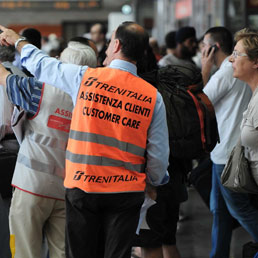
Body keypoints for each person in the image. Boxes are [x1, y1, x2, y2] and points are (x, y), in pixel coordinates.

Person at [0, 22, 169, 258]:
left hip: (83, 186)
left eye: (110, 42)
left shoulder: (85, 79)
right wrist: (153, 181)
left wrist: (18, 41)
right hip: (126, 192)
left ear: (117, 45)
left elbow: (41, 65)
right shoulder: (152, 96)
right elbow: (159, 156)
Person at [1, 41, 97, 258]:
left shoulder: (38, 90)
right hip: (69, 190)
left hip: (30, 187)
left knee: (25, 251)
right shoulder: (92, 102)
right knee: (62, 253)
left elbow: (3, 77)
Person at [201, 26, 255, 258]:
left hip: (228, 154)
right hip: (226, 152)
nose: (202, 49)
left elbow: (201, 105)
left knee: (238, 208)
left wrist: (204, 69)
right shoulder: (236, 73)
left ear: (214, 48)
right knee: (220, 212)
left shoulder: (224, 73)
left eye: (205, 45)